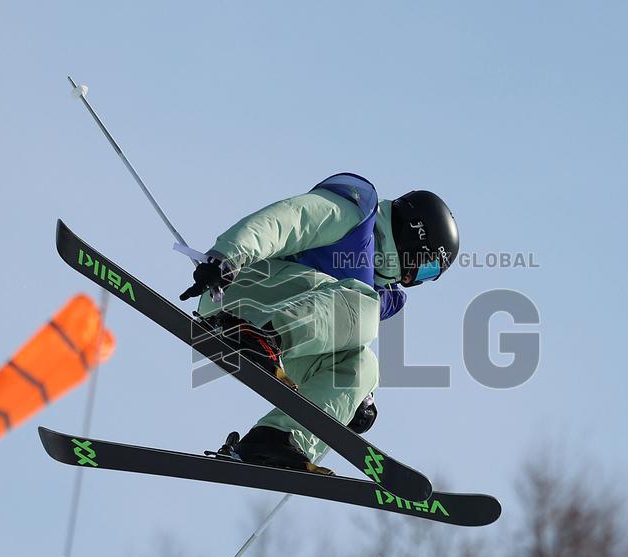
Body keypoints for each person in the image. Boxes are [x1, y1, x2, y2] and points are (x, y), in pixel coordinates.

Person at [180, 173, 458, 475]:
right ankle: (259, 336)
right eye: (427, 265)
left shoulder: (375, 292)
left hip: (280, 339)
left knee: (365, 365)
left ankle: (278, 439)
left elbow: (333, 328)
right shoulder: (356, 214)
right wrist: (226, 257)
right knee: (364, 305)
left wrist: (352, 399)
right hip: (238, 293)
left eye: (429, 275)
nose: (413, 279)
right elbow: (288, 220)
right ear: (415, 236)